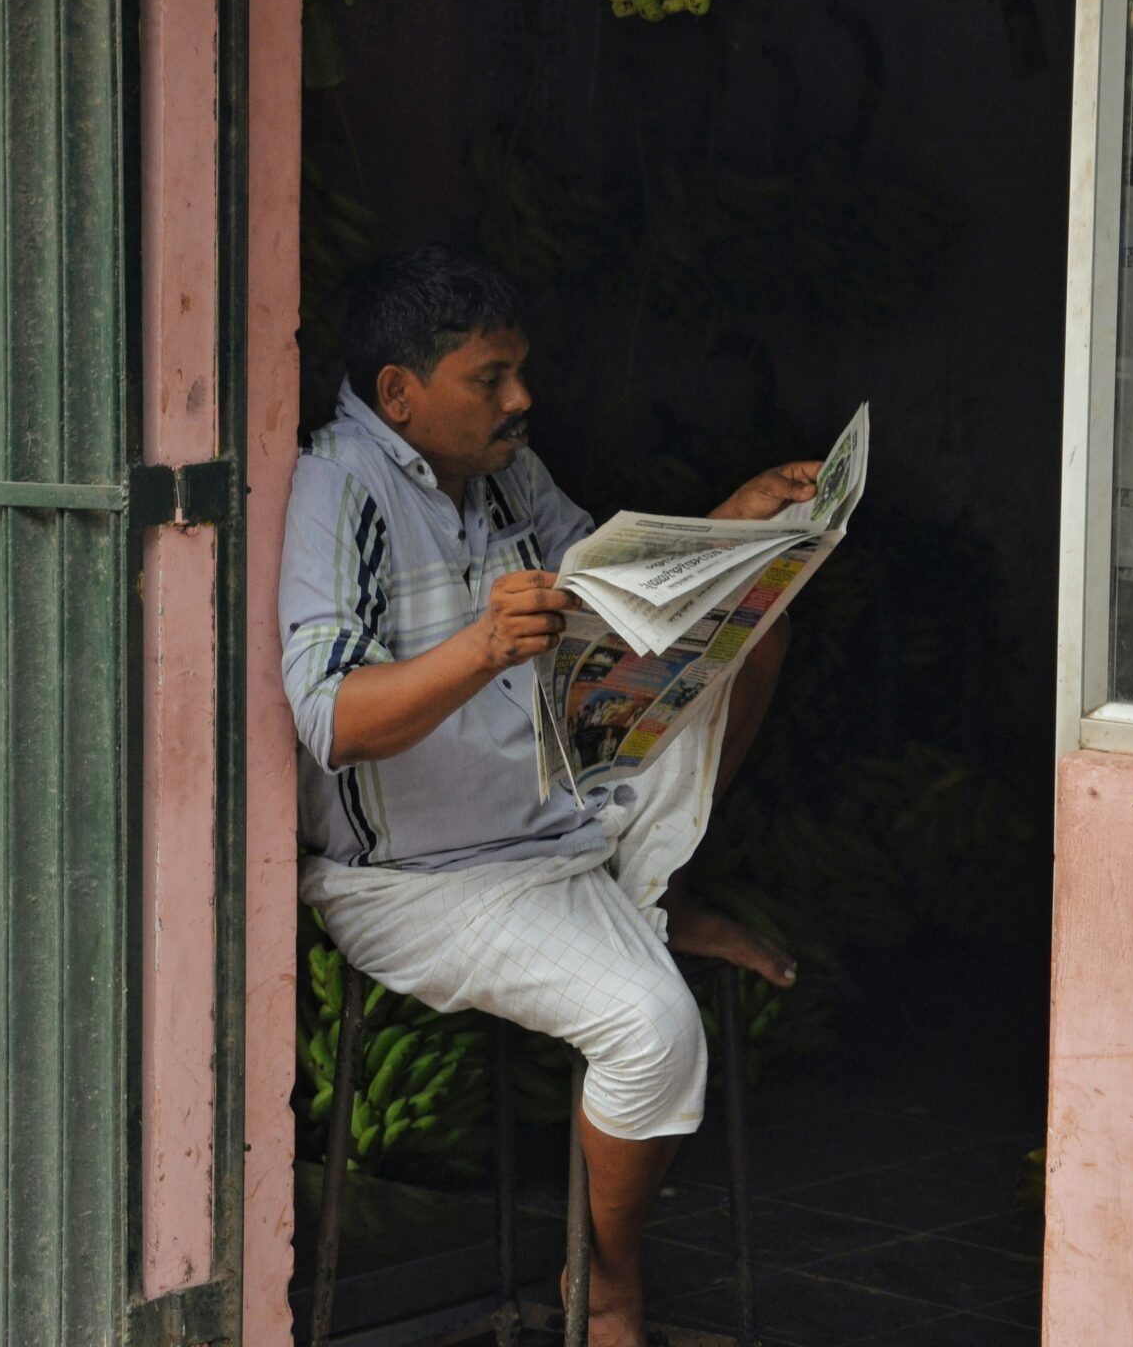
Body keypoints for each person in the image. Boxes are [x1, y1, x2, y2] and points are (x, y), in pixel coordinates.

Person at [279, 245, 815, 1347]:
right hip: (422, 880)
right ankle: (609, 1279)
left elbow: (619, 599)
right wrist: (478, 650)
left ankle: (649, 900)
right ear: (400, 393)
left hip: (553, 815)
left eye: (520, 371)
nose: (521, 398)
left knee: (756, 634)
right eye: (491, 377)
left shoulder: (504, 473)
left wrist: (736, 527)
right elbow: (327, 715)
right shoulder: (341, 484)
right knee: (652, 1029)